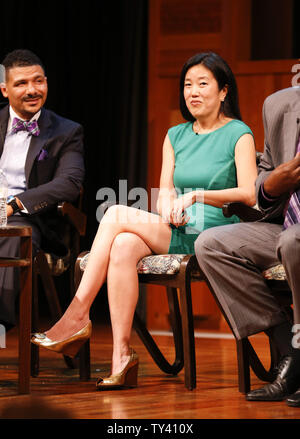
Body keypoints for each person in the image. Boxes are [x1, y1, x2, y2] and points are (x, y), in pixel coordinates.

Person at [32, 51, 257, 390]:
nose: (193, 92)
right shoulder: (175, 135)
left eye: (202, 84)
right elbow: (165, 189)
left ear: (224, 91)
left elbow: (249, 194)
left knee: (115, 213)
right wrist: (167, 206)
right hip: (180, 225)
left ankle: (77, 315)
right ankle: (121, 357)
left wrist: (197, 196)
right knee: (122, 244)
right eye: (187, 85)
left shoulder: (239, 133)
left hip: (215, 231)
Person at [195, 86, 300, 407]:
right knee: (211, 244)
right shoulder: (280, 105)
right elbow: (264, 178)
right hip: (286, 225)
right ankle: (291, 348)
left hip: (292, 237)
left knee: (293, 242)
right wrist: (269, 186)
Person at [0, 49, 84, 330]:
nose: (32, 90)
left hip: (32, 220)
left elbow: (69, 183)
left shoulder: (66, 131)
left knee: (14, 233)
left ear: (46, 82)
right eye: (21, 83)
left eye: (38, 81)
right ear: (4, 89)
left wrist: (12, 205)